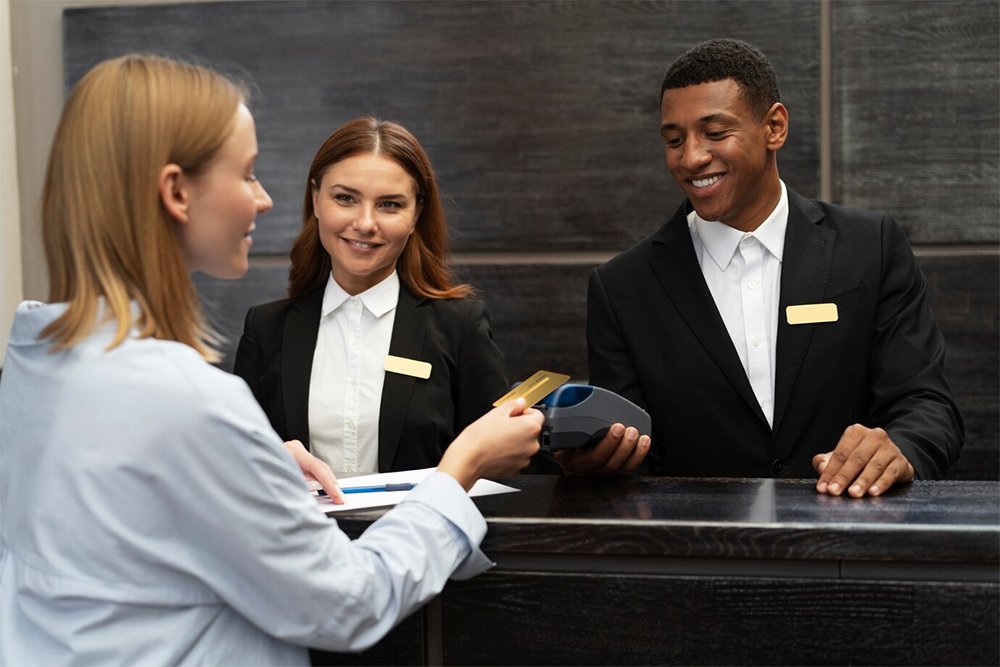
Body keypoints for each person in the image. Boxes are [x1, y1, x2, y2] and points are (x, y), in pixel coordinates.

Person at [0, 54, 543, 665]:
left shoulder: (33, 359)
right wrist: (458, 469)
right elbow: (349, 602)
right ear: (176, 192)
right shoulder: (194, 402)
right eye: (248, 173)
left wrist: (251, 465)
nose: (262, 199)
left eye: (390, 204)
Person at [577, 38, 963, 496]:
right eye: (674, 140)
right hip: (698, 537)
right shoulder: (622, 288)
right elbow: (628, 458)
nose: (691, 157)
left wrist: (899, 450)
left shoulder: (871, 248)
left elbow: (927, 405)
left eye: (715, 133)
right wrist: (591, 463)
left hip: (849, 531)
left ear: (774, 127)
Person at [234, 117, 543, 474]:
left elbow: (505, 464)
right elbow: (236, 463)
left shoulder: (459, 327)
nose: (366, 223)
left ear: (416, 215)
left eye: (390, 205)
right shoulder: (266, 329)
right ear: (316, 199)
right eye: (345, 198)